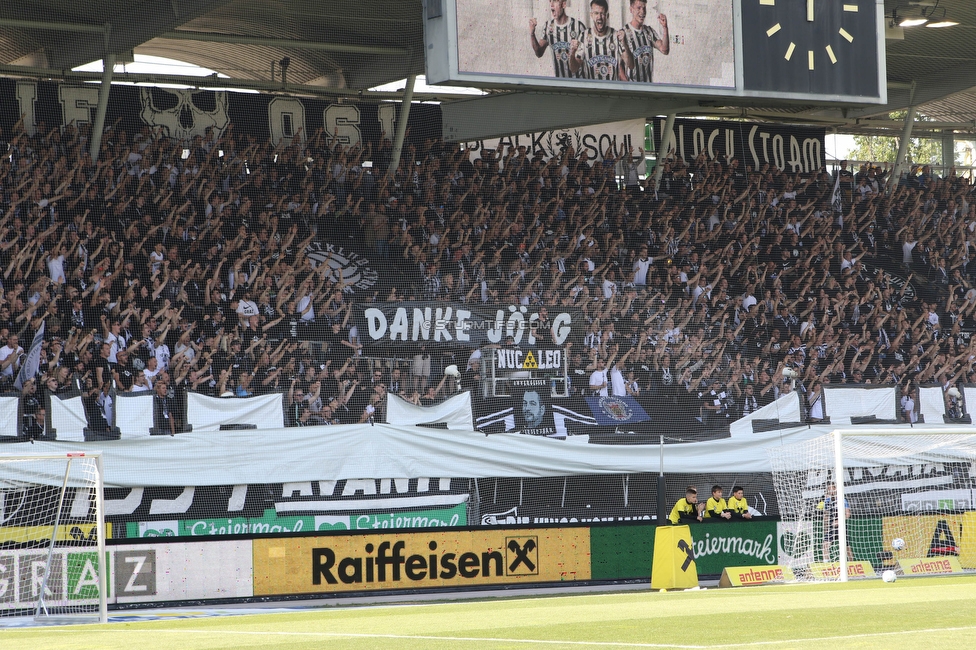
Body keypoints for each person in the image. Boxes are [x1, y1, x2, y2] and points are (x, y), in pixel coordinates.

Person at [569, 0, 626, 81]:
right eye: (596, 13)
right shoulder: (583, 36)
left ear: (607, 16)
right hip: (591, 91)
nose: (599, 17)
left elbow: (627, 65)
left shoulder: (616, 35)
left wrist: (625, 44)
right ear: (591, 15)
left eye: (602, 13)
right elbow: (574, 69)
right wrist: (572, 53)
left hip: (612, 90)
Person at [529, 0, 584, 78]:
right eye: (550, 1)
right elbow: (539, 53)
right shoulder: (548, 26)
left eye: (555, 1)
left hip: (578, 82)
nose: (551, 4)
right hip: (560, 82)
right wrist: (532, 34)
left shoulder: (578, 27)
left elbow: (585, 59)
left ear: (564, 4)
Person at [622, 0, 669, 83]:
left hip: (648, 87)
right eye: (638, 8)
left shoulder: (649, 31)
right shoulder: (624, 33)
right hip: (632, 89)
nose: (642, 12)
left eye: (644, 8)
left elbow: (664, 50)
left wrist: (665, 27)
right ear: (631, 9)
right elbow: (620, 66)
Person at [818, 483, 853, 562]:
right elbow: (824, 513)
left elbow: (848, 514)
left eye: (832, 489)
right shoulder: (826, 501)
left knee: (846, 546)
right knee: (825, 544)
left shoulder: (842, 500)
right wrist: (826, 526)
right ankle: (826, 563)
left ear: (836, 489)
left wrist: (839, 521)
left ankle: (851, 562)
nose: (831, 491)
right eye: (829, 489)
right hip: (831, 527)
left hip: (841, 526)